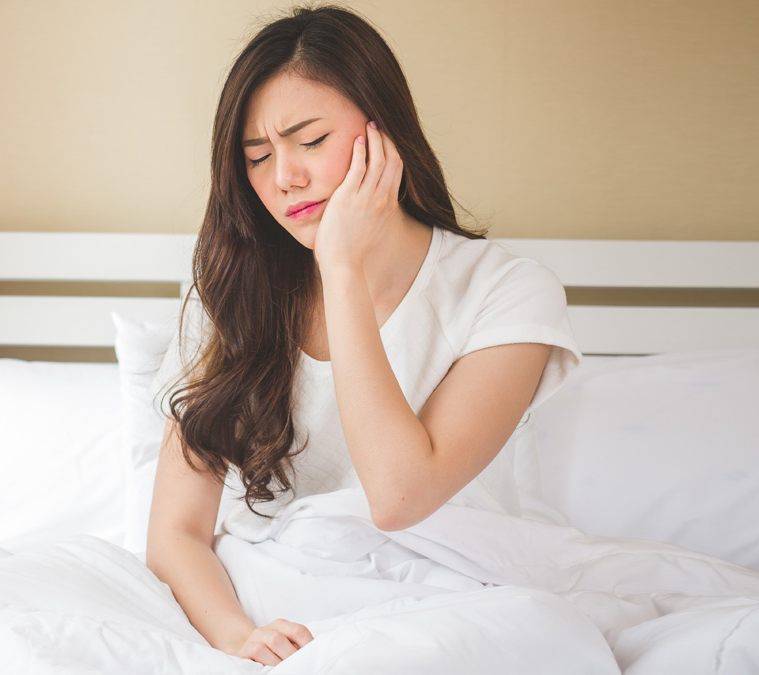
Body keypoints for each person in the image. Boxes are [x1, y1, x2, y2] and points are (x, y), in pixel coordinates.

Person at [145, 5, 584, 667]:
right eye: (257, 157)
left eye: (310, 141)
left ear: (383, 131)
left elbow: (400, 495)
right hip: (276, 596)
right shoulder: (234, 292)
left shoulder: (507, 291)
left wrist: (341, 268)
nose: (283, 177)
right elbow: (177, 530)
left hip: (453, 594)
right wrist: (236, 634)